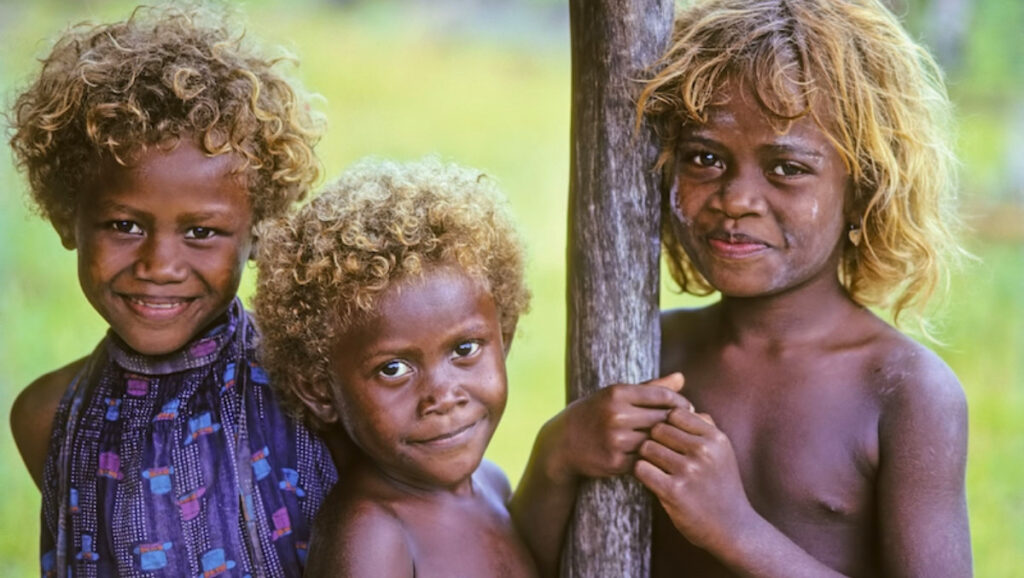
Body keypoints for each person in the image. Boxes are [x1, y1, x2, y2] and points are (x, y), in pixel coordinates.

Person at [629, 0, 971, 575]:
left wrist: (735, 530)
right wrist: (559, 456)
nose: (737, 199)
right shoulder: (651, 353)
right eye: (704, 158)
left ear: (864, 189)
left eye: (786, 168)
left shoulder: (903, 392)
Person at [8, 5, 336, 576]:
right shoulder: (46, 417)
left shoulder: (317, 396)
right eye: (124, 225)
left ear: (260, 231)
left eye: (202, 232)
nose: (160, 264)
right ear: (67, 218)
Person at [254, 158, 541, 576]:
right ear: (319, 391)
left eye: (464, 348)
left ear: (505, 337)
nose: (442, 396)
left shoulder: (491, 485)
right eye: (393, 369)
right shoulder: (370, 534)